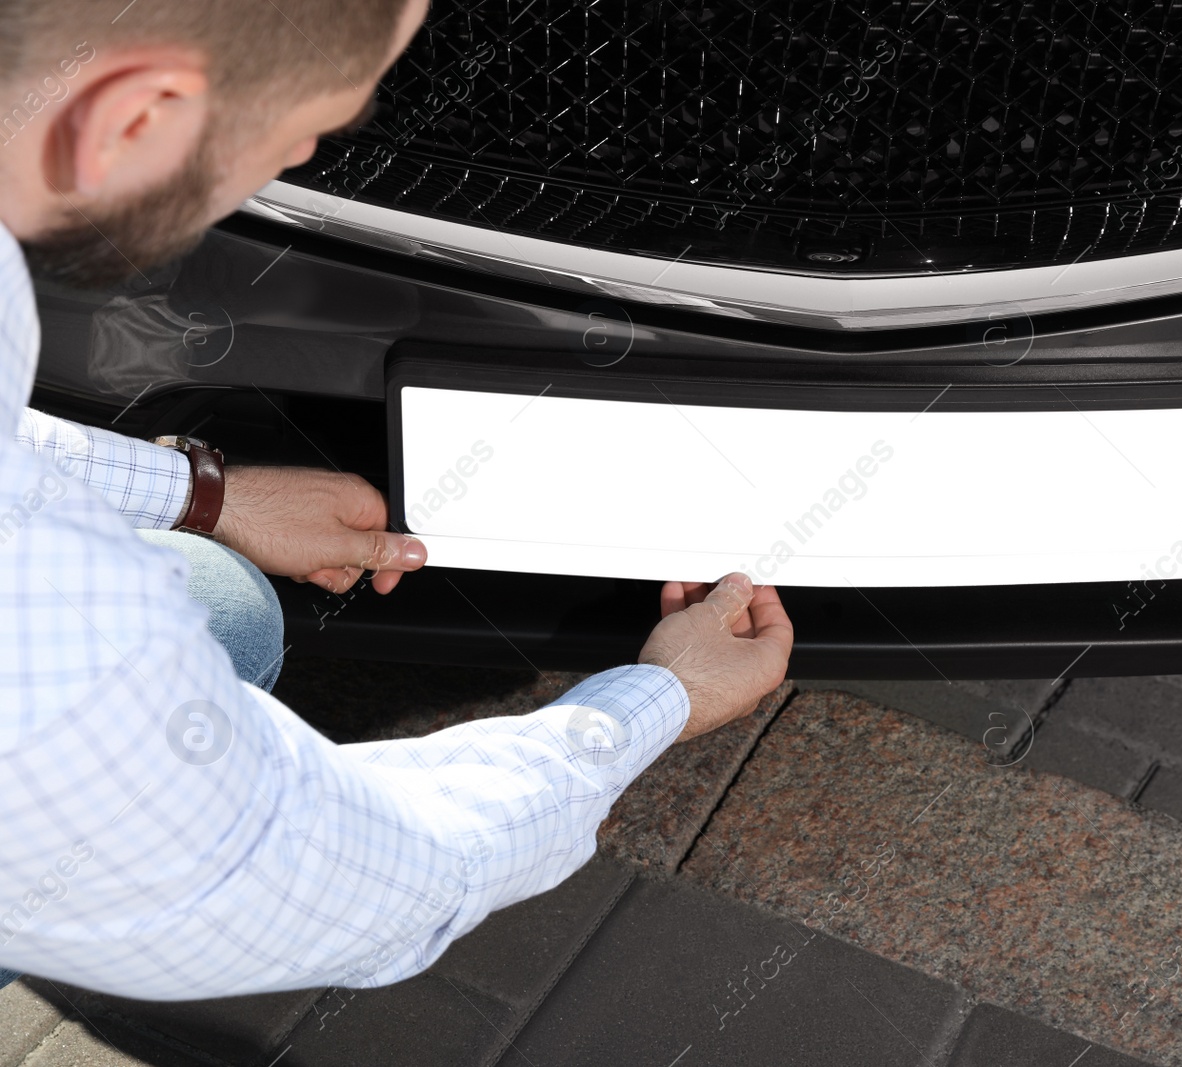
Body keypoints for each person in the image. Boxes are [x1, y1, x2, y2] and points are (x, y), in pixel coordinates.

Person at [0, 0, 793, 999]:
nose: (294, 162)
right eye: (306, 133)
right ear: (134, 116)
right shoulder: (48, 654)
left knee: (227, 604)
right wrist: (657, 700)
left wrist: (207, 493)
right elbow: (336, 880)